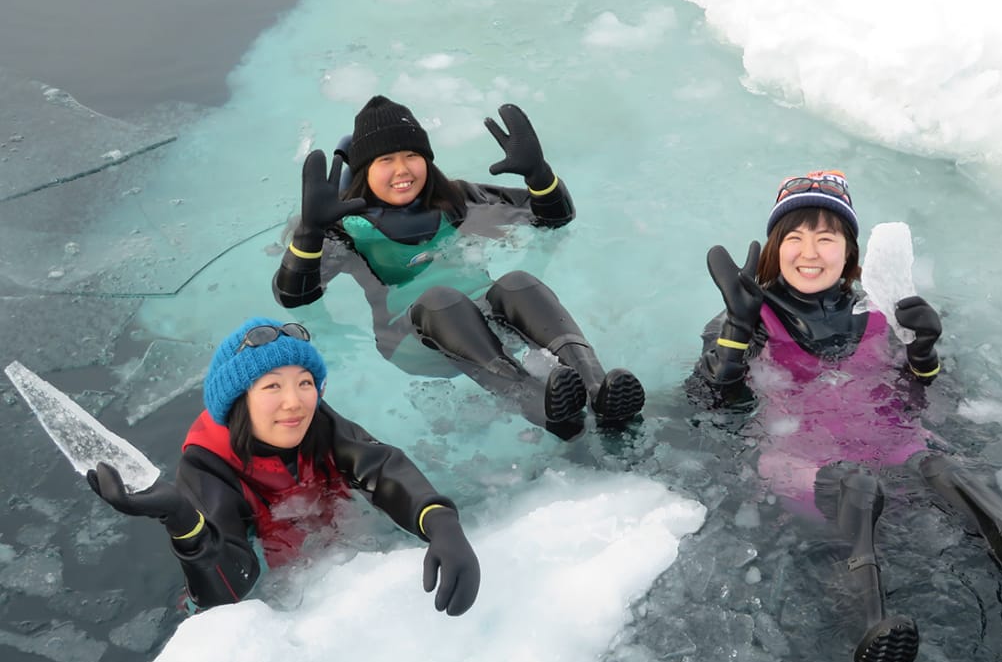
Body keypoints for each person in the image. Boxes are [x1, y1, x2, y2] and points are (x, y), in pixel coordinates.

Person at [690, 169, 1002, 662]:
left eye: (826, 236)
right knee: (856, 486)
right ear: (775, 248)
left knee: (947, 468)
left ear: (848, 250)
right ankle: (872, 624)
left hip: (893, 444)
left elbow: (923, 398)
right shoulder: (746, 315)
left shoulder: (880, 311)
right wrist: (735, 330)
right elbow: (713, 403)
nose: (809, 250)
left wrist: (924, 353)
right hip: (799, 462)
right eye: (793, 237)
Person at [272, 96, 645, 437]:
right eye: (385, 160)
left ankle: (598, 388)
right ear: (364, 171)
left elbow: (553, 219)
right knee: (440, 298)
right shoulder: (345, 228)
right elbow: (293, 297)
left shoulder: (457, 199)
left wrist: (540, 175)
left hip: (486, 323)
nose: (402, 169)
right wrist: (309, 233)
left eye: (411, 156)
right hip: (414, 341)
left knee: (517, 281)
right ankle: (534, 401)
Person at [86, 317, 480, 616]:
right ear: (240, 399)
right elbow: (230, 590)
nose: (295, 401)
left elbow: (381, 466)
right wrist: (184, 523)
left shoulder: (319, 421)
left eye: (305, 383)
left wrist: (440, 520)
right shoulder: (208, 464)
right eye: (273, 386)